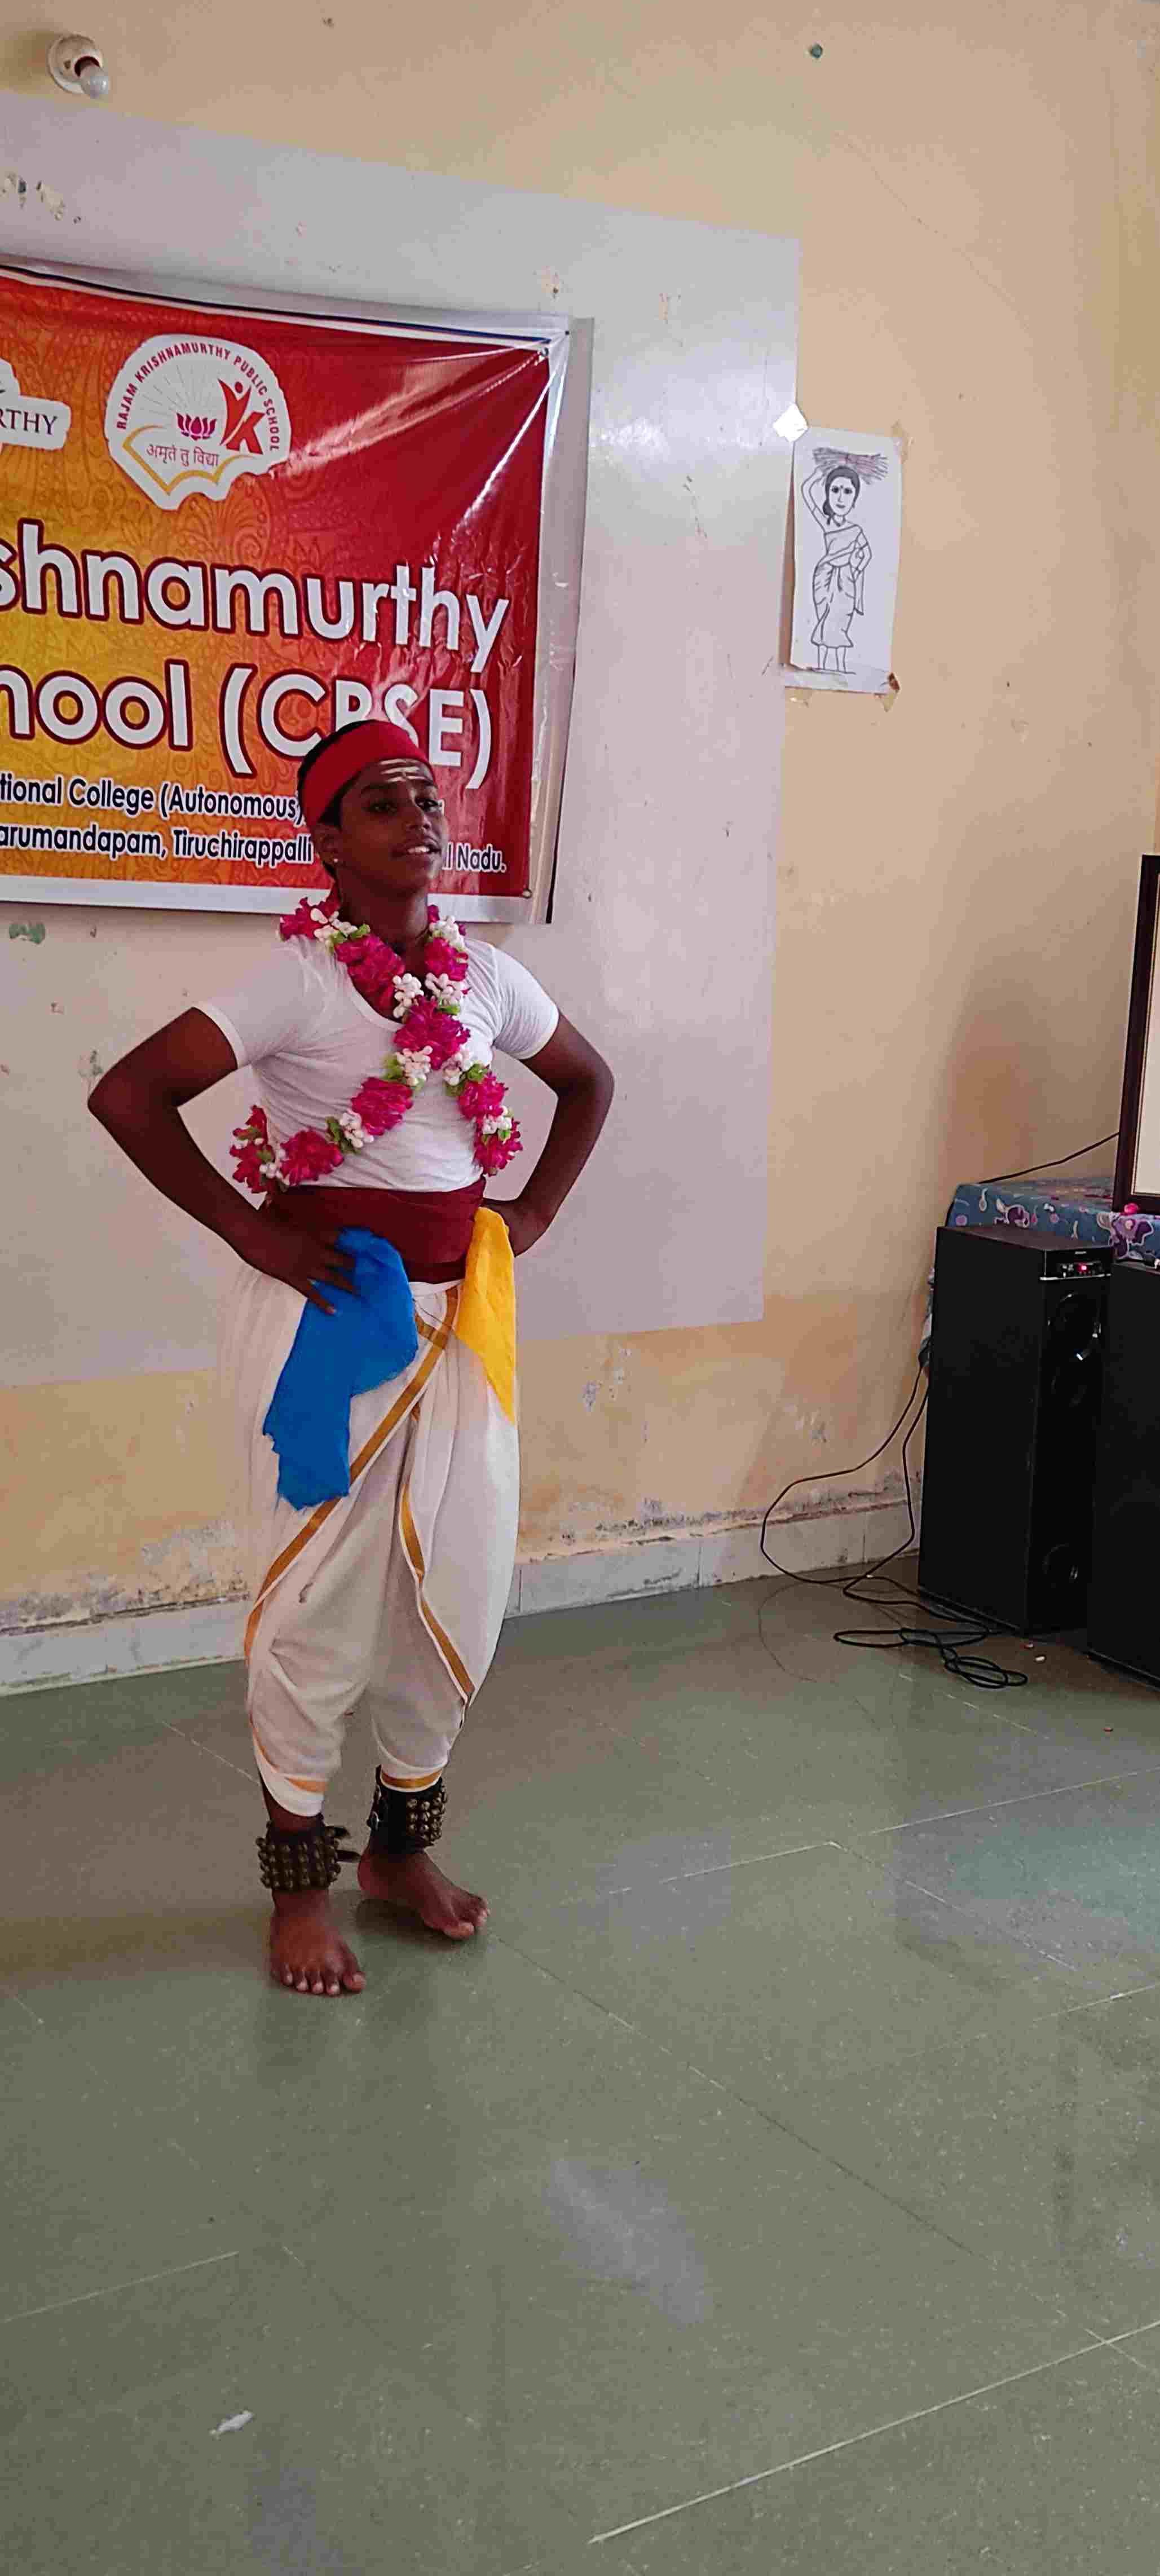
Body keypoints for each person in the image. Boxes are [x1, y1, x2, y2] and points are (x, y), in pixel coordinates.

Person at [88, 717, 614, 1997]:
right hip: (328, 1326)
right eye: (383, 802)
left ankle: (397, 1849)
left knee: (458, 1581)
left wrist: (535, 1212)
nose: (418, 818)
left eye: (427, 796)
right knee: (316, 1600)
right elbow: (129, 1095)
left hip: (463, 1322)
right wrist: (254, 1232)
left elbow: (588, 1081)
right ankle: (297, 1886)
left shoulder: (486, 979)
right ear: (326, 841)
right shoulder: (299, 983)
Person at [800, 461, 873, 673]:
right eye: (835, 490)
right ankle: (822, 666)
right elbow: (806, 493)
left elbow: (867, 554)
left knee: (841, 621)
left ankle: (841, 667)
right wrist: (816, 474)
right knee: (824, 620)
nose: (841, 498)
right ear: (827, 494)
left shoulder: (856, 530)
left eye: (848, 492)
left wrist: (855, 571)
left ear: (855, 499)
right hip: (824, 577)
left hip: (846, 581)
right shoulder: (827, 523)